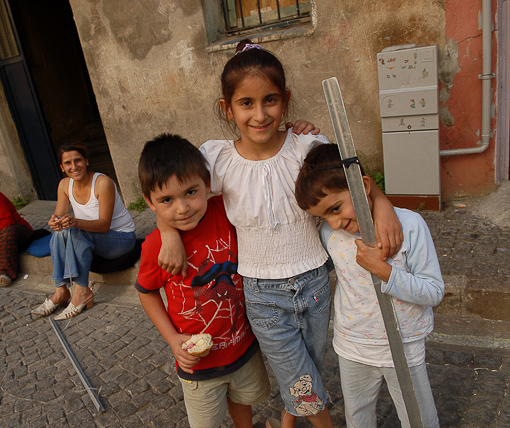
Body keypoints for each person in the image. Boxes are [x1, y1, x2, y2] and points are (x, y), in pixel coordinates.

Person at [157, 40, 404, 428]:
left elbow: (352, 181)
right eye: (246, 103)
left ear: (285, 101)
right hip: (262, 294)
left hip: (315, 284)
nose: (260, 114)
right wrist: (167, 232)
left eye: (270, 100)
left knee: (308, 368)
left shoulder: (307, 148)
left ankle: (287, 424)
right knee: (301, 381)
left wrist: (383, 202)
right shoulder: (216, 159)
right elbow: (172, 195)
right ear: (227, 108)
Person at [295, 143, 443, 428]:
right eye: (324, 216)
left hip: (403, 346)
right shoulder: (329, 234)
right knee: (358, 418)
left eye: (335, 208)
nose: (334, 223)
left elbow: (433, 291)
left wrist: (385, 272)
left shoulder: (410, 225)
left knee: (419, 420)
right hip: (353, 346)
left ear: (363, 186)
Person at [135, 134, 270, 428]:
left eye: (191, 192)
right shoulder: (155, 246)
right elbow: (147, 292)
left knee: (243, 403)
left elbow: (255, 167)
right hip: (198, 364)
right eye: (167, 200)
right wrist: (172, 339)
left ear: (208, 184)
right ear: (149, 202)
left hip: (243, 348)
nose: (182, 208)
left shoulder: (224, 210)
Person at [31, 142, 136, 320]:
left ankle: (81, 292)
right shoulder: (64, 185)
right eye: (68, 163)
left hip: (120, 239)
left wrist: (76, 222)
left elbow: (104, 225)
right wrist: (55, 222)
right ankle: (61, 291)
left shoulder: (102, 183)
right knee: (60, 233)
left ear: (86, 161)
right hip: (89, 237)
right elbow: (59, 217)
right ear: (62, 167)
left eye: (78, 160)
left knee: (75, 232)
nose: (74, 166)